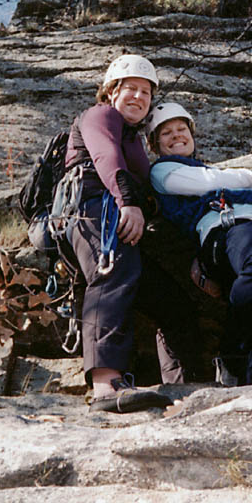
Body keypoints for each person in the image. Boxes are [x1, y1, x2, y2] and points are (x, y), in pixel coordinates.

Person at [64, 56, 202, 413]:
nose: (139, 97)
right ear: (112, 92)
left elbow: (154, 198)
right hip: (94, 209)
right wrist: (128, 203)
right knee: (113, 273)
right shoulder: (100, 115)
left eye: (146, 92)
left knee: (173, 303)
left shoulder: (136, 140)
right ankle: (106, 385)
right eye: (131, 89)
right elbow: (107, 159)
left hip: (123, 219)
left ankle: (183, 386)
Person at [146, 102, 252, 387]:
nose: (177, 136)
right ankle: (230, 356)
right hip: (225, 234)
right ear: (154, 145)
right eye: (166, 133)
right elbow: (206, 182)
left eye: (182, 129)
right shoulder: (164, 171)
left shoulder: (209, 174)